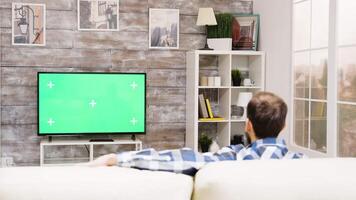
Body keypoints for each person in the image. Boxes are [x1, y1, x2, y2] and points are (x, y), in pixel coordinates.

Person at [85, 92, 306, 176]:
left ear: (247, 125)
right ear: (283, 127)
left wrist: (116, 158)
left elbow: (175, 160)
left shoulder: (230, 160)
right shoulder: (304, 165)